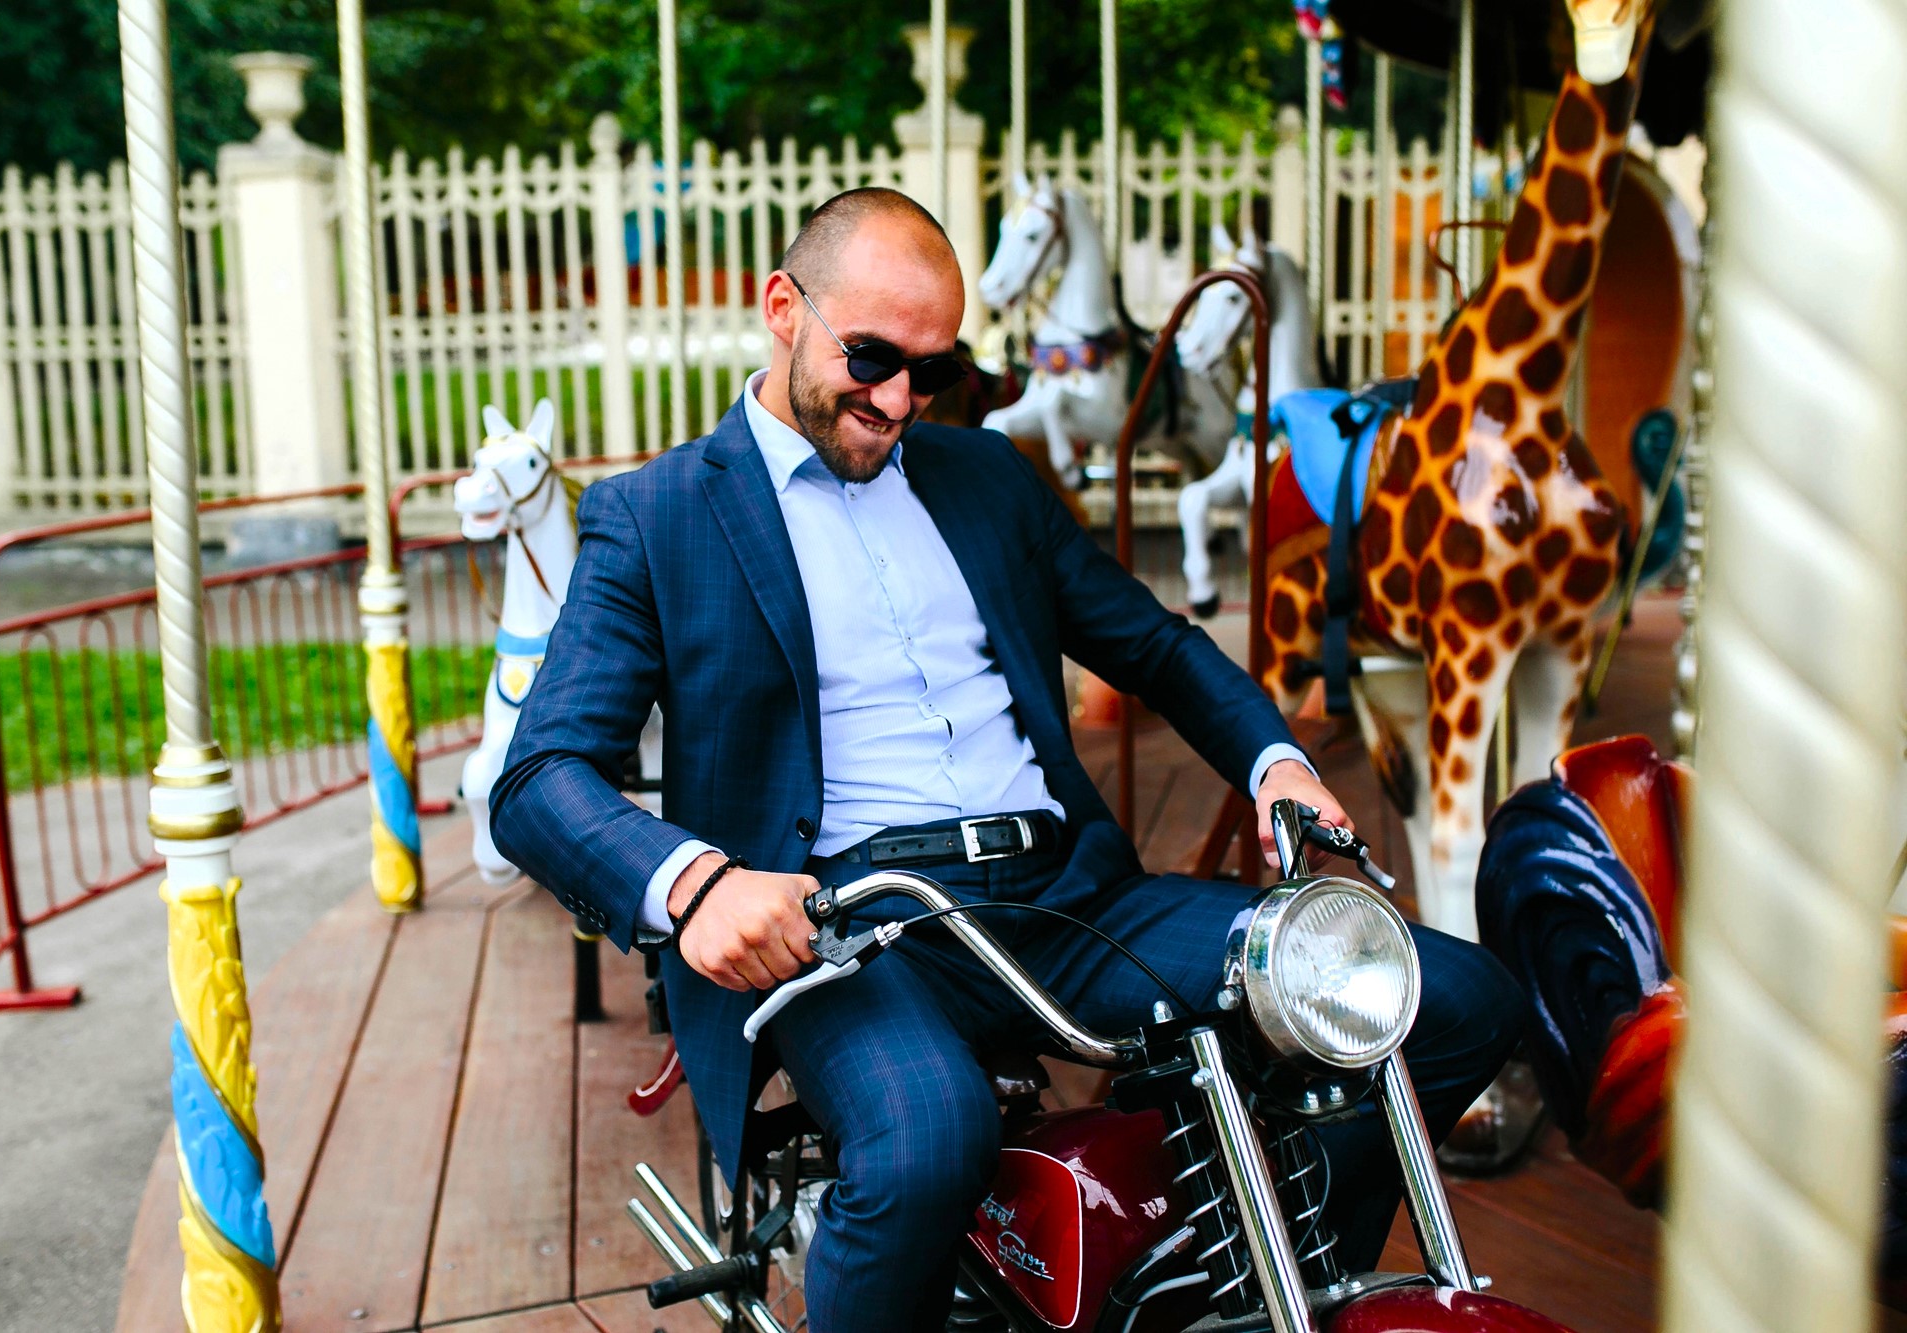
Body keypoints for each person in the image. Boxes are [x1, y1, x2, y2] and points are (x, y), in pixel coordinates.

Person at [491, 188, 1519, 1332]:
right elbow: (539, 779)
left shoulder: (981, 476)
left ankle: (1250, 1290)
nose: (896, 402)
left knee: (1448, 999)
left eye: (931, 372)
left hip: (1063, 898)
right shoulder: (658, 513)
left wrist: (1275, 759)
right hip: (844, 925)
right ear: (782, 308)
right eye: (871, 357)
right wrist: (695, 884)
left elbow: (1154, 647)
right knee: (930, 1135)